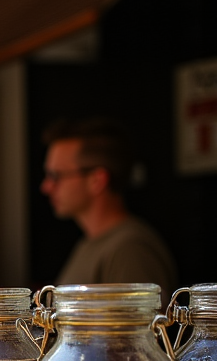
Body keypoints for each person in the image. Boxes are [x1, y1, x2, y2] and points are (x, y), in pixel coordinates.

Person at [41, 118, 177, 295]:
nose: (46, 186)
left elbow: (139, 321)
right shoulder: (90, 243)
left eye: (56, 175)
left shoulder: (129, 249)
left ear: (97, 180)